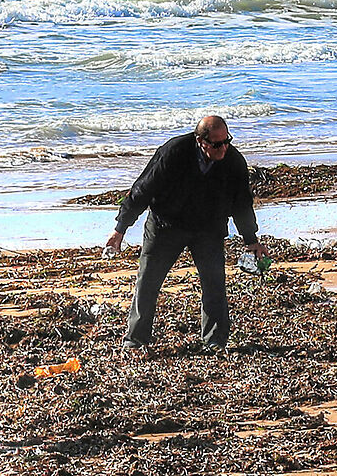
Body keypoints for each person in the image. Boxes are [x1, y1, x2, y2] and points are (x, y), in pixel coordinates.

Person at [105, 114, 267, 352]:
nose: (223, 148)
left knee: (214, 284)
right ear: (200, 141)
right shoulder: (174, 152)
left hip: (208, 229)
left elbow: (242, 204)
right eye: (216, 144)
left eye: (227, 141)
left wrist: (251, 240)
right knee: (148, 281)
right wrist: (120, 229)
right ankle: (135, 339)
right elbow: (142, 190)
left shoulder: (233, 161)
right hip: (165, 225)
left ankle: (215, 341)